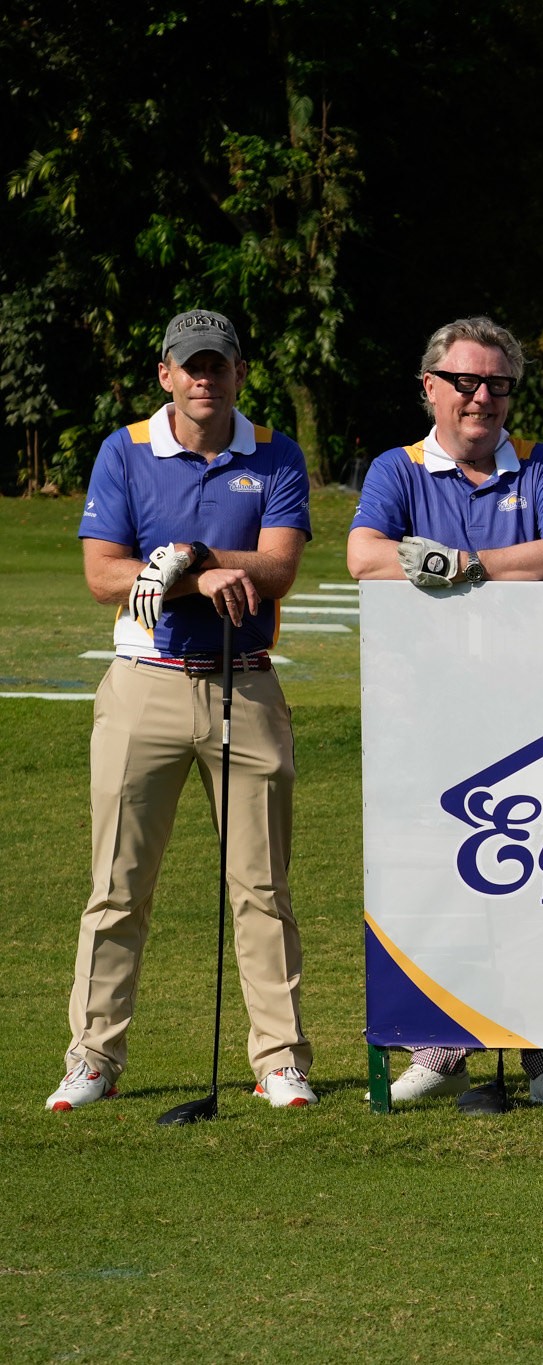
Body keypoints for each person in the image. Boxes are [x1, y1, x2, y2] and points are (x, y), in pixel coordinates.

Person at [48, 309, 317, 1113]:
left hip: (247, 684)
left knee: (262, 886)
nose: (205, 378)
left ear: (239, 373)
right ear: (166, 374)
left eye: (218, 364)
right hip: (145, 685)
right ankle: (93, 1056)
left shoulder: (275, 452)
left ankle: (279, 1060)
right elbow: (103, 572)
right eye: (190, 365)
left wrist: (191, 554)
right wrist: (194, 579)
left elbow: (278, 567)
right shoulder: (125, 449)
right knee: (117, 885)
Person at [347, 315, 543, 1111]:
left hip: (534, 711)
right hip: (428, 712)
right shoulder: (398, 467)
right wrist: (443, 566)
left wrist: (464, 565)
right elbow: (364, 556)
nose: (482, 396)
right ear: (431, 387)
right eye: (465, 381)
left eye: (497, 383)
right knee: (444, 874)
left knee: (541, 881)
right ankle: (443, 1044)